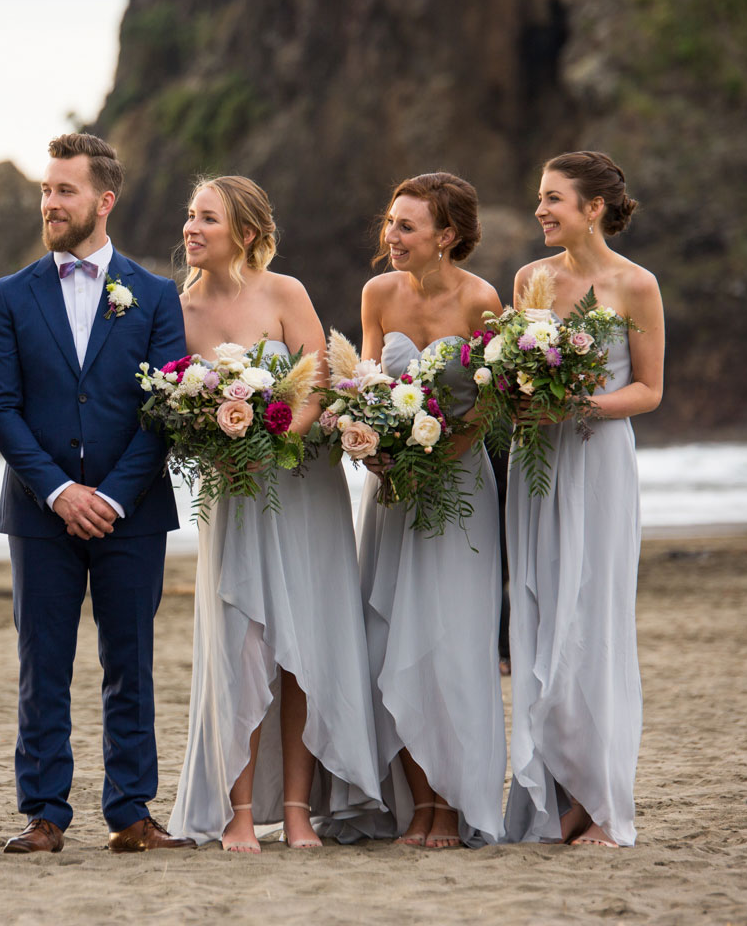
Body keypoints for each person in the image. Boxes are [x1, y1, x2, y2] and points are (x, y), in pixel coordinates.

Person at [0, 133, 192, 853]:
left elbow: (164, 409)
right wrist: (60, 491)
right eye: (46, 190)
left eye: (64, 190)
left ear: (103, 201)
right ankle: (44, 813)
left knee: (130, 663)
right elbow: (0, 409)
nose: (50, 202)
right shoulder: (10, 295)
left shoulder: (157, 296)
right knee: (45, 665)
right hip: (40, 515)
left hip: (132, 515)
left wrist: (113, 497)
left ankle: (131, 814)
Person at [166, 176, 380, 852]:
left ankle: (295, 810)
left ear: (248, 234)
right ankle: (235, 811)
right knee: (243, 648)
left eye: (208, 219)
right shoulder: (181, 309)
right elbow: (177, 406)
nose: (191, 229)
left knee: (301, 648)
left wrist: (283, 436)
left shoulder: (286, 293)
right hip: (234, 495)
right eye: (190, 216)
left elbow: (318, 380)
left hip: (303, 487)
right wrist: (220, 438)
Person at [504, 151, 664, 848]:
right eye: (541, 198)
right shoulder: (529, 281)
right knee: (539, 617)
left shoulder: (636, 284)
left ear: (594, 207)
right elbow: (510, 368)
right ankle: (554, 800)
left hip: (597, 464)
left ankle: (601, 806)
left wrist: (578, 406)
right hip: (535, 463)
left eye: (553, 199)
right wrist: (515, 392)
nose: (540, 209)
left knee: (591, 625)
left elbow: (650, 391)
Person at [352, 172, 506, 848]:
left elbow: (491, 402)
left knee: (449, 645)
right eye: (390, 222)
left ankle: (452, 804)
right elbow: (362, 383)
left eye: (407, 226)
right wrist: (370, 445)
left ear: (446, 236)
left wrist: (436, 459)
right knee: (394, 642)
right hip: (391, 492)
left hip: (456, 489)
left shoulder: (481, 300)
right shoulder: (377, 293)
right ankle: (417, 808)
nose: (392, 236)